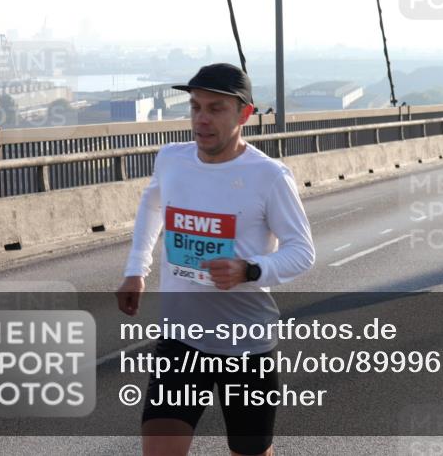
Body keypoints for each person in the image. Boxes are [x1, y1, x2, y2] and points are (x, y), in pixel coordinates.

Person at [116, 63, 316, 456]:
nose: (202, 120)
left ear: (245, 114)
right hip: (180, 341)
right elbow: (152, 203)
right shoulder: (171, 159)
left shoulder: (269, 176)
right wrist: (136, 270)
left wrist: (250, 269)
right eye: (195, 107)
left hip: (246, 345)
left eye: (216, 108)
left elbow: (302, 252)